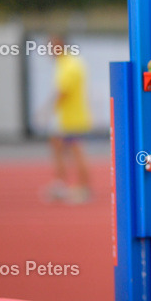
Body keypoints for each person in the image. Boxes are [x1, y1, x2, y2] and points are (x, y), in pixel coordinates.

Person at [41, 35, 93, 205]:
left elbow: (63, 91)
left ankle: (84, 188)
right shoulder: (66, 62)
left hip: (71, 117)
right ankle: (61, 184)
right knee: (57, 146)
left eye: (50, 46)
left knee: (76, 151)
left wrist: (48, 110)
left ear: (59, 45)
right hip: (67, 116)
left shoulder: (69, 64)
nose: (48, 50)